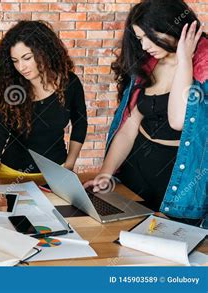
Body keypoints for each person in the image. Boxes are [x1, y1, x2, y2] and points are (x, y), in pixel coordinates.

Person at [85, 0, 207, 225]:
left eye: (149, 37)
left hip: (176, 180)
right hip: (136, 169)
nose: (144, 46)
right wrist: (105, 173)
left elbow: (178, 120)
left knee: (170, 249)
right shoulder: (148, 63)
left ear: (171, 26)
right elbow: (129, 127)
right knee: (123, 243)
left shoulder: (203, 65)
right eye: (140, 39)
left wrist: (183, 61)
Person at [0, 20, 88, 215]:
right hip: (14, 175)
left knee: (57, 228)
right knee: (23, 226)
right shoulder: (13, 91)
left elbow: (80, 123)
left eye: (26, 58)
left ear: (43, 51)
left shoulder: (70, 83)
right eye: (15, 61)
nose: (21, 67)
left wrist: (69, 166)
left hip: (56, 172)